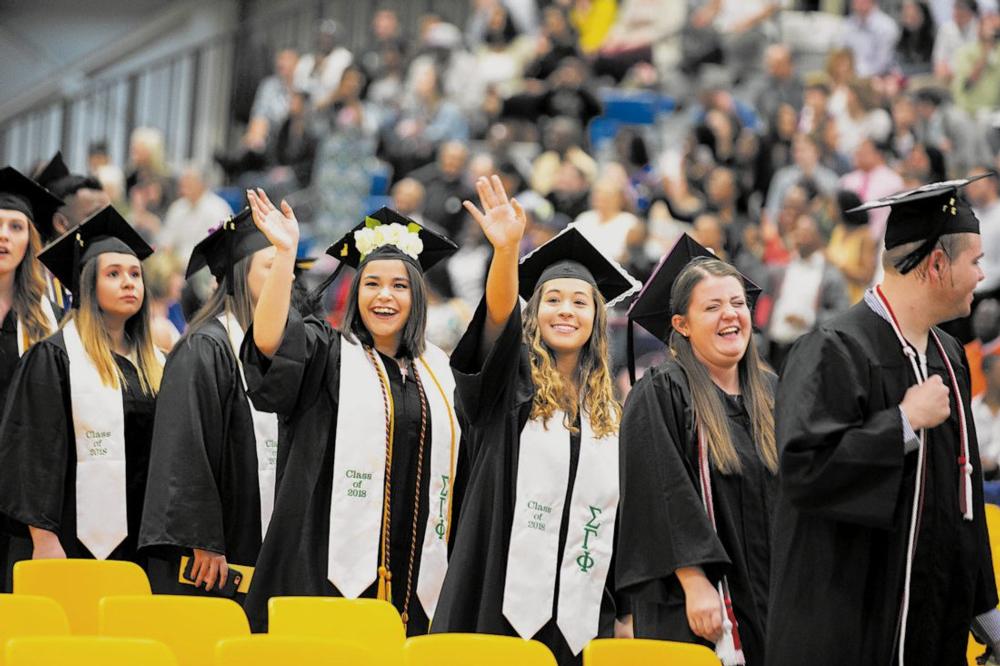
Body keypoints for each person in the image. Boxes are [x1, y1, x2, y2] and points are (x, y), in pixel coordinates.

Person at [766, 175, 1000, 665]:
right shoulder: (835, 349)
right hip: (848, 624)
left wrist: (987, 615)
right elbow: (804, 470)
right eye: (974, 262)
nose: (983, 275)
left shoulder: (949, 354)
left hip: (929, 625)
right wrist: (901, 424)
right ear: (937, 264)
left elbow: (964, 495)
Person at [431, 176, 641, 665]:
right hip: (497, 599)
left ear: (596, 318)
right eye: (552, 299)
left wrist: (625, 611)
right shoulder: (511, 383)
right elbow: (498, 320)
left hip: (579, 616)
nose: (565, 310)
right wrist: (507, 252)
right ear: (534, 310)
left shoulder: (608, 414)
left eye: (580, 301)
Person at [239, 192, 461, 635]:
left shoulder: (438, 372)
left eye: (399, 285)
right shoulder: (327, 353)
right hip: (325, 560)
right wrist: (285, 254)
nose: (385, 296)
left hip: (412, 567)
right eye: (372, 283)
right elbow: (268, 343)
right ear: (355, 290)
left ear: (417, 296)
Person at [617, 234, 774, 665]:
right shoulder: (661, 393)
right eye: (712, 307)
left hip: (770, 594)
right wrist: (696, 582)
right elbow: (659, 493)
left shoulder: (772, 394)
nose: (731, 315)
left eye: (738, 303)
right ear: (681, 325)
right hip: (694, 606)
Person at [0, 206, 161, 589]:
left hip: (137, 544)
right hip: (66, 539)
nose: (129, 283)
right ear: (88, 286)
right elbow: (29, 454)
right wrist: (43, 538)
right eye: (114, 274)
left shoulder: (156, 367)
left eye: (135, 274)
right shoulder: (53, 358)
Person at [139, 208, 276, 602]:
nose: (286, 277)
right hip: (211, 558)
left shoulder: (277, 351)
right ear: (238, 274)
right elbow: (183, 446)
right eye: (271, 266)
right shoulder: (205, 348)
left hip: (258, 540)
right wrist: (203, 539)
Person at [0, 166, 62, 592]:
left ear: (30, 240)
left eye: (16, 226)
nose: (3, 235)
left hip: (16, 496)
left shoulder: (46, 321)